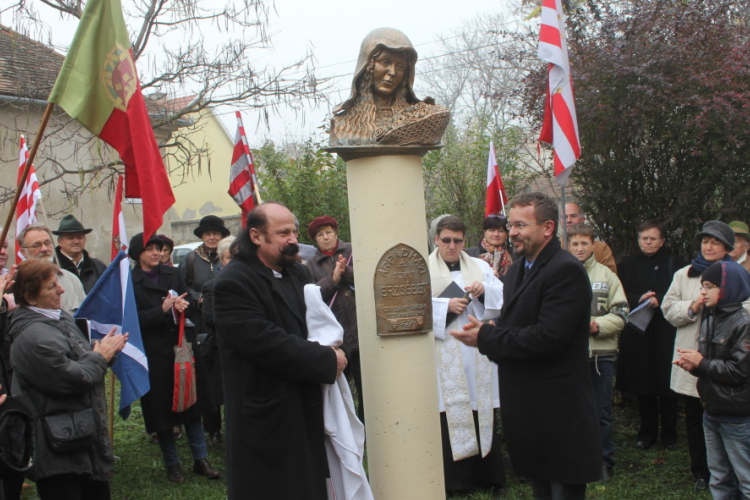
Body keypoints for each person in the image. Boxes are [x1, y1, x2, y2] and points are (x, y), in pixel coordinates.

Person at [451, 192, 601, 500]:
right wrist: (489, 329)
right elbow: (514, 325)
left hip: (559, 409)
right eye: (510, 225)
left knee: (563, 490)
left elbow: (548, 337)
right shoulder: (519, 270)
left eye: (520, 225)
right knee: (541, 489)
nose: (512, 232)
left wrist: (485, 338)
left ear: (547, 228)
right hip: (529, 407)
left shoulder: (565, 270)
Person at [213, 202, 347, 500]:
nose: (293, 239)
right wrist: (326, 359)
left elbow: (314, 322)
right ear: (256, 236)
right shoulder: (233, 282)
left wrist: (335, 344)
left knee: (308, 484)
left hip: (303, 403)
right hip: (266, 410)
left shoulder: (295, 274)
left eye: (295, 232)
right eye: (283, 233)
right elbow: (266, 343)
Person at [9, 259, 127, 500]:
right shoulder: (33, 337)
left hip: (79, 436)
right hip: (57, 446)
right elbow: (74, 378)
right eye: (51, 287)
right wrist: (100, 357)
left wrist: (104, 353)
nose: (61, 290)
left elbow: (84, 359)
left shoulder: (58, 317)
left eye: (58, 284)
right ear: (30, 298)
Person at [128, 233, 218, 483]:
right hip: (154, 352)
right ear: (138, 253)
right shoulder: (130, 282)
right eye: (150, 249)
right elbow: (133, 321)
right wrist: (161, 310)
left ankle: (201, 458)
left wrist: (181, 306)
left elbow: (185, 297)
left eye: (159, 248)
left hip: (182, 347)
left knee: (192, 402)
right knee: (162, 410)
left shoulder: (172, 273)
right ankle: (173, 464)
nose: (157, 252)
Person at [429, 215, 506, 496]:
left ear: (464, 241)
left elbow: (501, 297)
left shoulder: (480, 267)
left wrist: (484, 290)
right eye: (446, 240)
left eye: (457, 240)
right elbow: (414, 309)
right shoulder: (424, 270)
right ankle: (457, 482)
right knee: (449, 412)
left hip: (476, 353)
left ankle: (490, 476)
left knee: (480, 409)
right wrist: (444, 306)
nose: (452, 246)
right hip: (443, 351)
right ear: (436, 239)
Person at [662, 220, 738, 490]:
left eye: (714, 242)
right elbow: (668, 309)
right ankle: (701, 472)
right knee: (695, 418)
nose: (708, 246)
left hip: (723, 360)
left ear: (726, 248)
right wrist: (692, 306)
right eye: (705, 241)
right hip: (691, 356)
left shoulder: (737, 274)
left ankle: (729, 471)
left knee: (727, 421)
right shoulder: (685, 275)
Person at [674, 261, 750, 499]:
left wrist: (702, 363)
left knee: (745, 478)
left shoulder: (744, 324)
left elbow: (740, 371)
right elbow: (712, 366)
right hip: (711, 412)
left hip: (736, 417)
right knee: (719, 478)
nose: (703, 292)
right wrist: (695, 367)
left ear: (729, 287)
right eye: (702, 286)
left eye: (710, 286)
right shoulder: (708, 319)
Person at [568, 223, 629, 482]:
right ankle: (574, 460)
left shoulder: (607, 275)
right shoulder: (559, 274)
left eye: (584, 243)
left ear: (593, 245)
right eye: (574, 244)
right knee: (570, 411)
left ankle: (604, 461)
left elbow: (622, 312)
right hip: (568, 356)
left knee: (601, 411)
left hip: (600, 356)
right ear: (567, 246)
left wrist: (597, 325)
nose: (580, 248)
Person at [616, 220, 682, 452]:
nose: (648, 243)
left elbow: (681, 293)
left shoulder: (675, 264)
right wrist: (639, 299)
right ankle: (647, 433)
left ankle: (670, 434)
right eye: (644, 238)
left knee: (667, 384)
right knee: (643, 383)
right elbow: (621, 293)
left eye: (653, 239)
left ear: (662, 241)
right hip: (639, 331)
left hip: (666, 331)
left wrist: (660, 299)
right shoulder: (627, 265)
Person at [329, 27, 448, 147]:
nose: (393, 72)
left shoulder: (419, 119)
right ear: (368, 67)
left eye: (400, 67)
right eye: (385, 62)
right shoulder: (342, 123)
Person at [305, 216, 363, 421]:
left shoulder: (354, 251)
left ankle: (371, 430)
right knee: (341, 388)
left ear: (336, 233)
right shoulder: (310, 265)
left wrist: (345, 271)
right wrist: (333, 279)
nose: (326, 237)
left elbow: (369, 276)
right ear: (315, 240)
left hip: (361, 327)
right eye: (320, 235)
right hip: (335, 335)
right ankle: (346, 428)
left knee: (367, 387)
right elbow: (311, 295)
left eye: (329, 232)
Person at [181, 215, 230, 441]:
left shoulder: (228, 258)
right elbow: (181, 288)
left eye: (216, 233)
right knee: (206, 376)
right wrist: (197, 298)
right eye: (207, 234)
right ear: (201, 236)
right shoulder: (190, 259)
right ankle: (212, 429)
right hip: (200, 325)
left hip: (226, 324)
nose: (212, 237)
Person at [197, 235, 234, 445]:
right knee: (215, 392)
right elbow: (209, 317)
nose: (233, 262)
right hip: (219, 346)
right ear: (221, 260)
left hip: (243, 346)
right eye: (229, 258)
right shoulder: (211, 286)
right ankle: (213, 431)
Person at [18, 224, 85, 311]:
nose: (44, 249)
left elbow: (86, 315)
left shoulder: (71, 279)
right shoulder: (17, 283)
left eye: (47, 243)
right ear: (23, 252)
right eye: (36, 245)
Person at [52, 215, 106, 294]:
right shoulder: (52, 267)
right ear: (60, 241)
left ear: (85, 239)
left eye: (80, 237)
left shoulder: (98, 266)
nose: (76, 241)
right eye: (70, 238)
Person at [563, 203, 617, 273]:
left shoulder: (601, 248)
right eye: (564, 217)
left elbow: (610, 277)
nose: (568, 220)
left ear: (583, 219)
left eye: (573, 216)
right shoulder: (556, 248)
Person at [466, 214, 514, 279]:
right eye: (492, 230)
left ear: (507, 234)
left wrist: (499, 277)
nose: (496, 234)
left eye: (501, 231)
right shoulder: (471, 253)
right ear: (484, 232)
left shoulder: (515, 255)